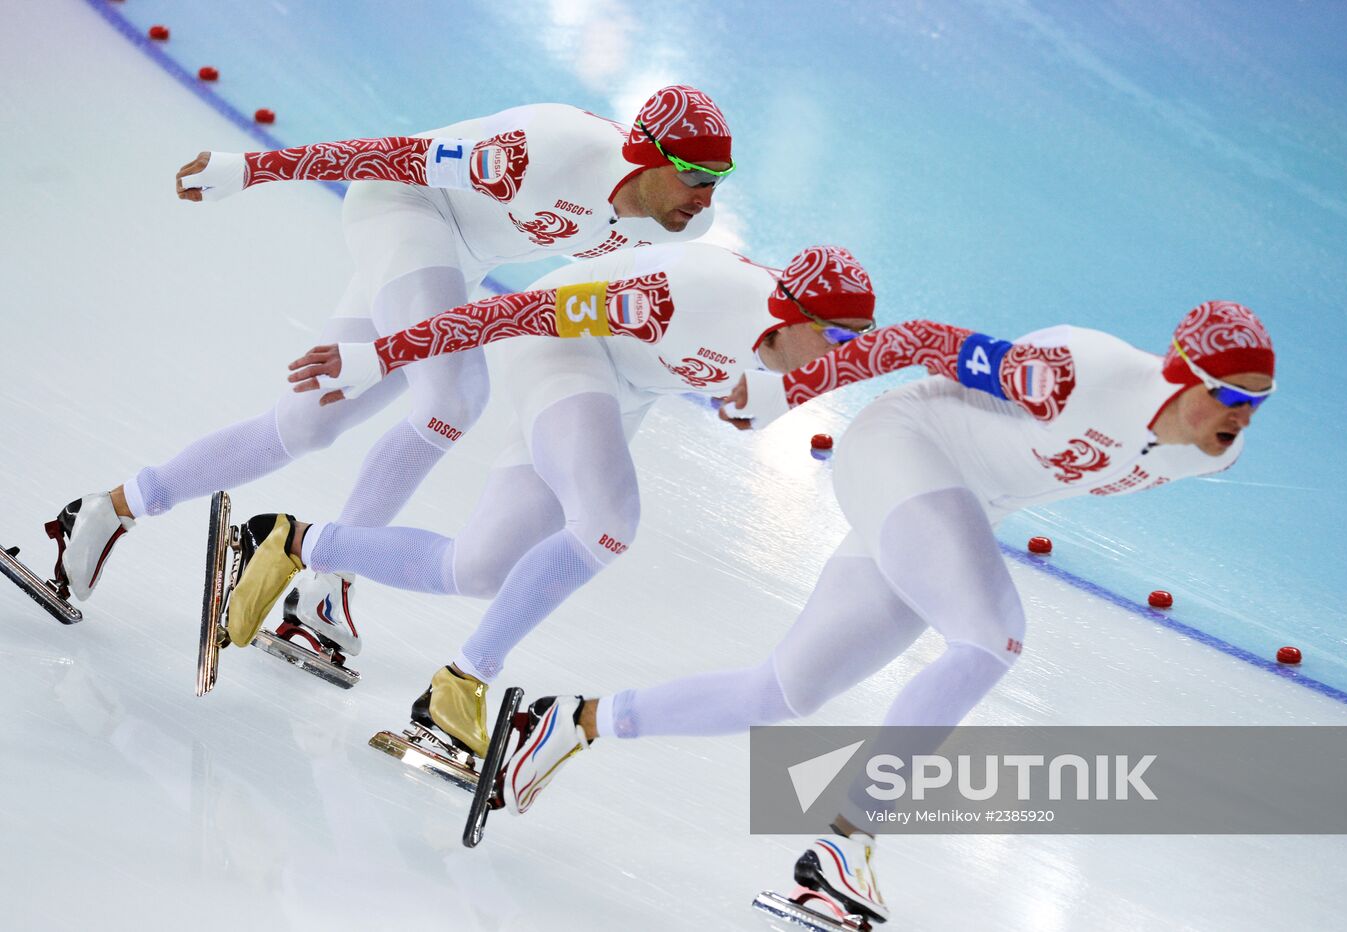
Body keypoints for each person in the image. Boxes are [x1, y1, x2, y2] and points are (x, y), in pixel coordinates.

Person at [483, 300, 1276, 925]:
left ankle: (568, 723)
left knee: (786, 690)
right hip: (907, 450)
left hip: (955, 497)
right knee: (991, 639)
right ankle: (844, 844)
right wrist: (785, 393)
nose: (1242, 417)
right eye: (1231, 396)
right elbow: (921, 340)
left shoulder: (1215, 449)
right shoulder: (1078, 373)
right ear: (1182, 373)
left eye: (1257, 403)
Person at [43, 86, 734, 658]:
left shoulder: (674, 228)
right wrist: (251, 169)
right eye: (697, 178)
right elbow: (392, 155)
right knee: (455, 395)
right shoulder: (548, 151)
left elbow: (556, 307)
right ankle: (326, 573)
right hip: (405, 208)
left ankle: (110, 508)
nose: (706, 199)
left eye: (718, 183)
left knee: (306, 426)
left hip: (458, 263)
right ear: (649, 156)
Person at [222, 244, 879, 761]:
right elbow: (515, 314)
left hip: (621, 387)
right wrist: (385, 353)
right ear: (794, 317)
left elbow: (786, 364)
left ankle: (290, 541)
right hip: (564, 346)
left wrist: (765, 392)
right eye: (840, 343)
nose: (844, 364)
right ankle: (461, 684)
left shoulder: (799, 338)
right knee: (609, 522)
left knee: (479, 569)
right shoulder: (693, 295)